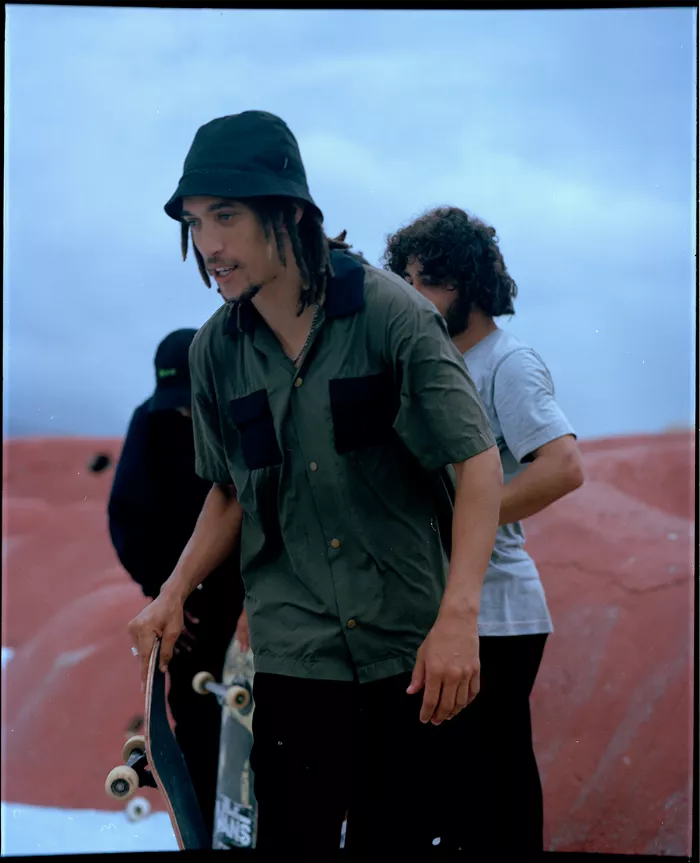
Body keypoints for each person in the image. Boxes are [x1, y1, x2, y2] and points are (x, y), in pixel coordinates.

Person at [127, 110, 504, 856]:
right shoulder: (215, 353)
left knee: (394, 842)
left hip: (409, 650)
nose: (208, 246)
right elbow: (231, 489)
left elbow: (478, 459)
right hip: (294, 655)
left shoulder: (390, 314)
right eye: (197, 222)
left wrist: (459, 615)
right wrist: (173, 591)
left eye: (226, 217)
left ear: (289, 211)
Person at [383, 205, 585, 855]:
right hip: (440, 610)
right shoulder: (429, 363)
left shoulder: (507, 362)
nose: (412, 295)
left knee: (489, 799)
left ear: (465, 283)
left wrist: (465, 519)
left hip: (497, 615)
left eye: (425, 280)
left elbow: (563, 466)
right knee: (448, 794)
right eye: (404, 280)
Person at [108, 328, 244, 841]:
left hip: (255, 589)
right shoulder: (149, 422)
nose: (184, 415)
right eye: (176, 406)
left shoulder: (243, 412)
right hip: (185, 602)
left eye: (190, 404)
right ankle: (207, 826)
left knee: (258, 727)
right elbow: (125, 517)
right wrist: (165, 594)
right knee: (197, 723)